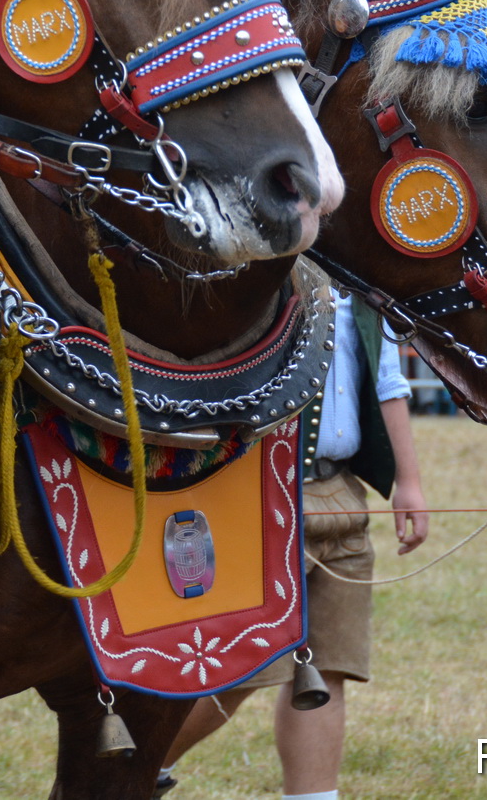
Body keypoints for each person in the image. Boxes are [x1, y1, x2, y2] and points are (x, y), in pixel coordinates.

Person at [158, 291, 428, 800]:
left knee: (328, 670)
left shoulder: (364, 289)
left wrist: (408, 482)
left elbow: (388, 381)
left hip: (343, 495)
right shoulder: (265, 277)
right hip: (263, 495)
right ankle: (137, 771)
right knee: (243, 665)